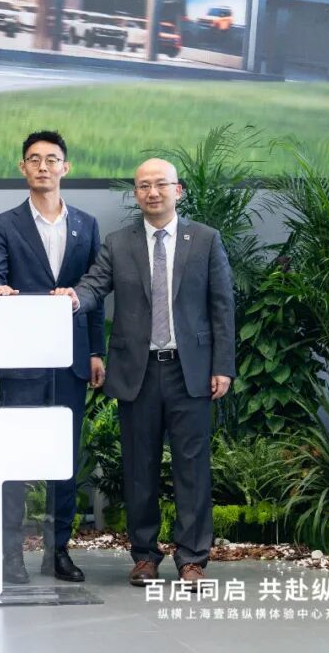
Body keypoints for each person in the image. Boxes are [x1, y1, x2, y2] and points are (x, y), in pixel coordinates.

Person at [53, 158, 234, 590]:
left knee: (192, 468)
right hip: (138, 372)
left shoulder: (205, 239)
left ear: (178, 190)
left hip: (190, 371)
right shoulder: (119, 243)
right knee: (139, 467)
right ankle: (145, 555)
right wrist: (74, 298)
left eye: (160, 185)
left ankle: (192, 559)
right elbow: (94, 285)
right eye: (143, 186)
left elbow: (222, 305)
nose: (152, 192)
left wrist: (223, 366)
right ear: (136, 194)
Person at [0, 130, 105, 585]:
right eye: (34, 159)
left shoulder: (86, 225)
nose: (43, 166)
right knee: (15, 458)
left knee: (63, 458)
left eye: (51, 159)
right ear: (23, 168)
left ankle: (57, 552)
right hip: (21, 359)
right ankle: (10, 554)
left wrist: (95, 350)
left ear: (65, 168)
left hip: (71, 359)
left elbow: (95, 292)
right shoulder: (4, 224)